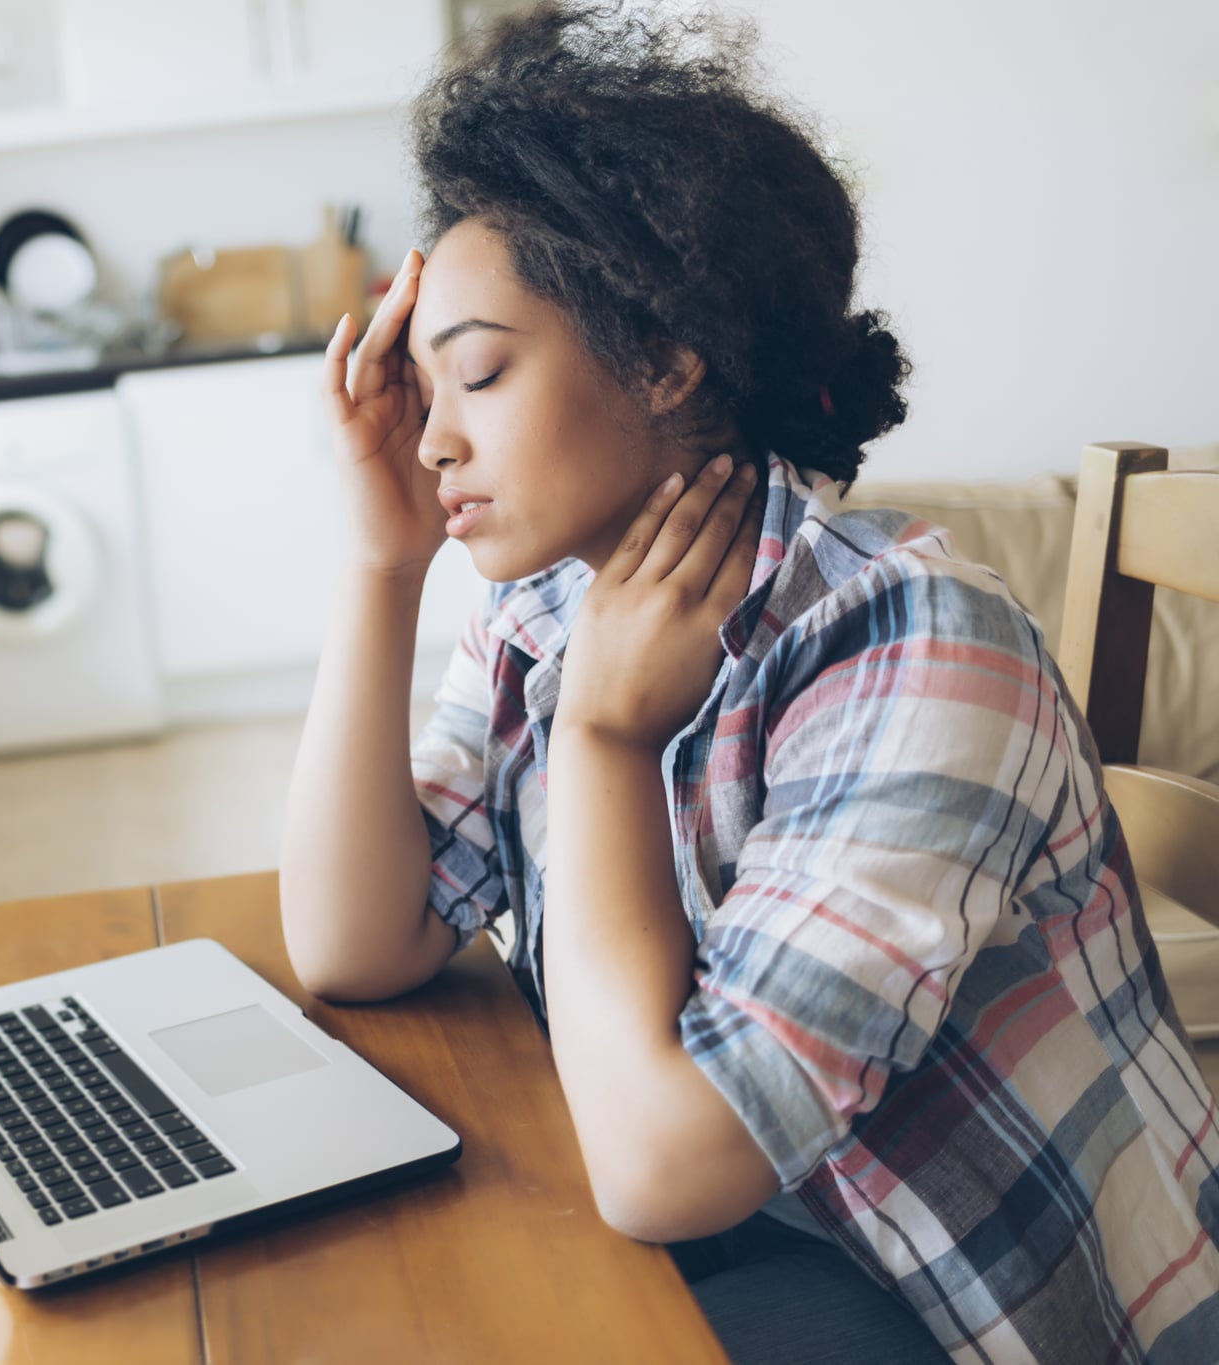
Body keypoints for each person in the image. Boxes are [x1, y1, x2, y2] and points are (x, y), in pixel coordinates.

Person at [276, 6, 1219, 1362]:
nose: (433, 435)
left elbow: (666, 1165)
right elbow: (354, 941)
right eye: (424, 384)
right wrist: (383, 568)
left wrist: (605, 742)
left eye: (477, 370)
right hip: (781, 1237)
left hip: (965, 1311)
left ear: (665, 358)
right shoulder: (548, 599)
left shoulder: (920, 649)